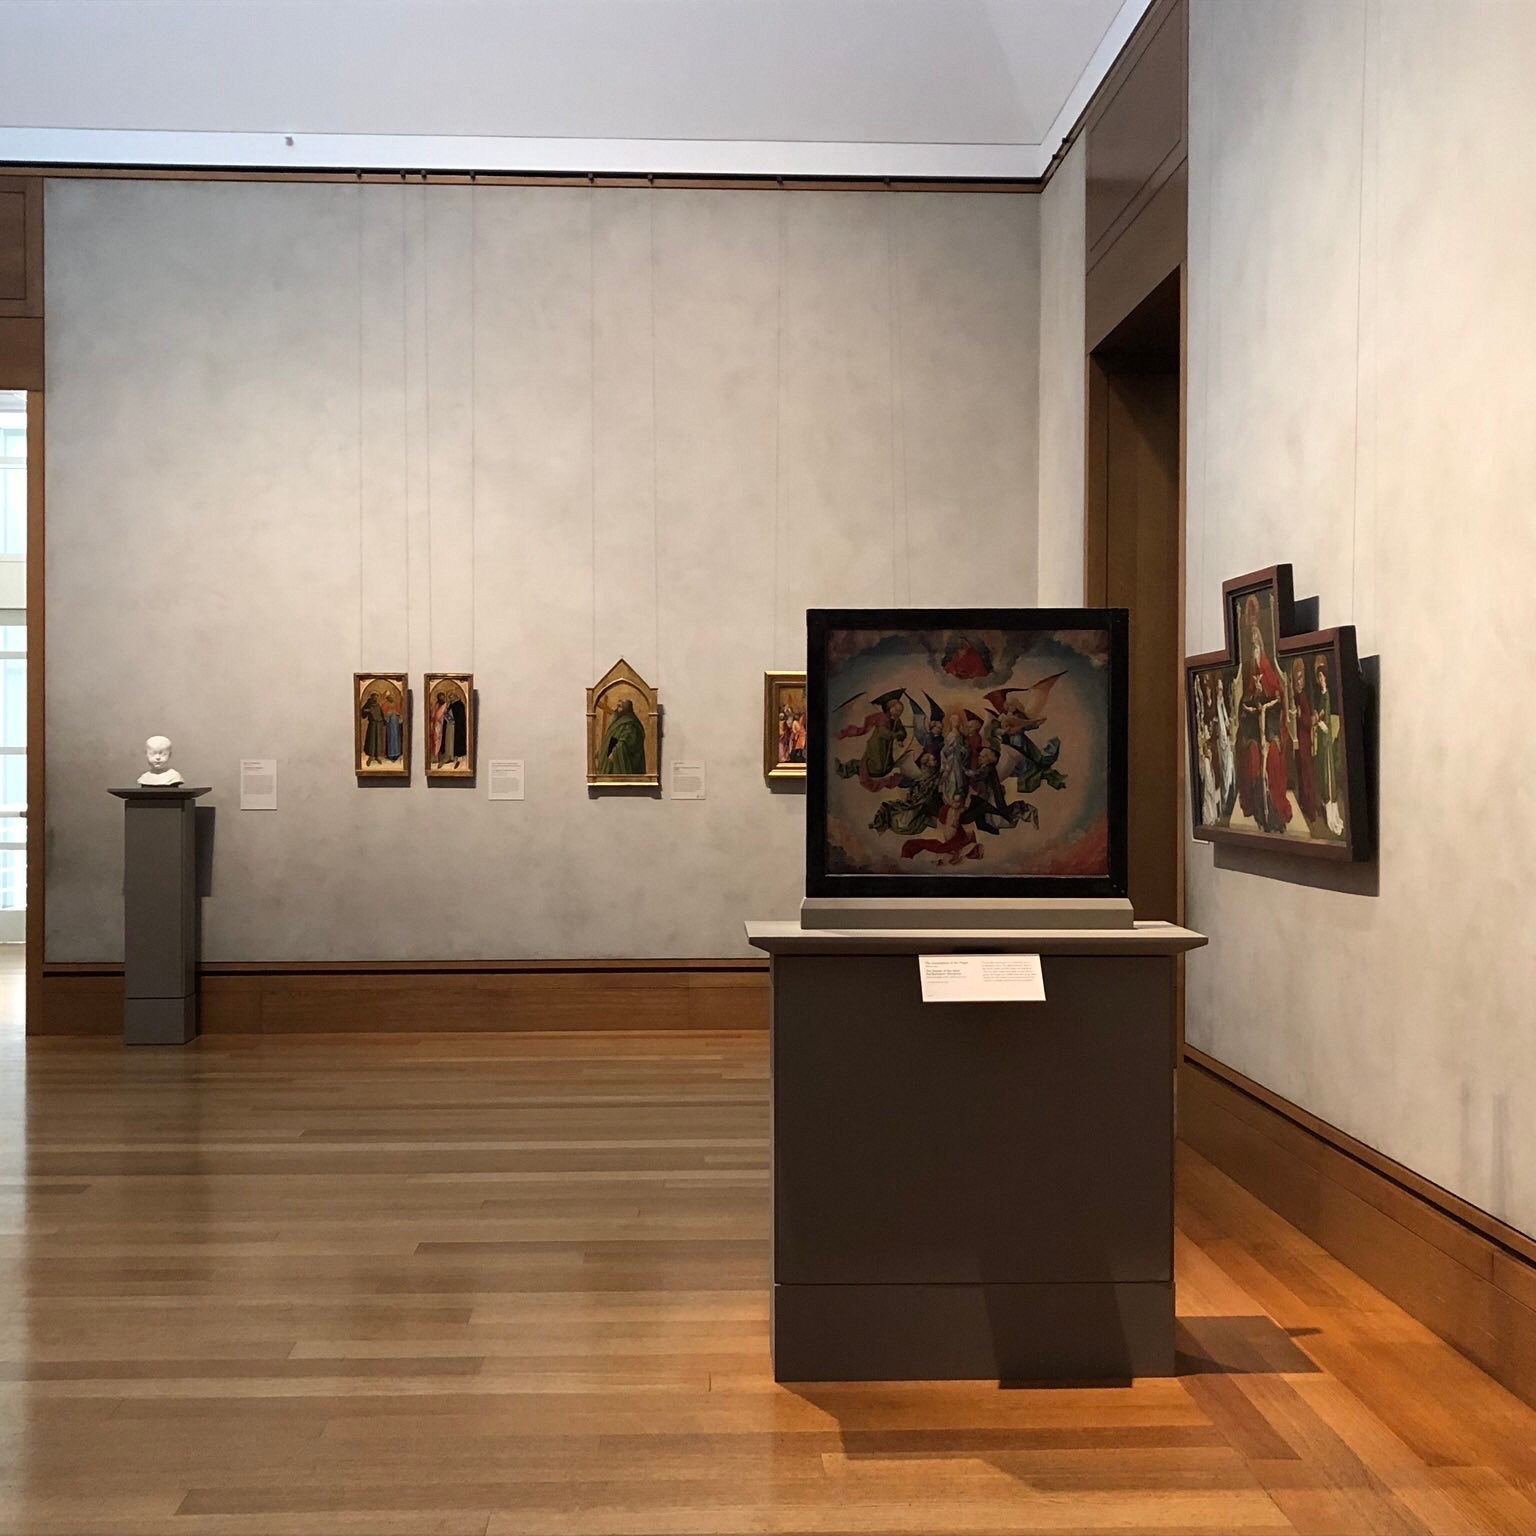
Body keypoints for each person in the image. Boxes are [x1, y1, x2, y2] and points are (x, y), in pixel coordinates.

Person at [1235, 596, 1291, 831]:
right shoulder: (1248, 670)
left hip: (1270, 726)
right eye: (1252, 646)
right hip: (1253, 728)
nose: (1255, 649)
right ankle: (1259, 809)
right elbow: (1244, 702)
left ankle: (1275, 809)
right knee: (1252, 757)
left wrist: (1267, 704)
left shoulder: (1267, 666)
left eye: (1257, 645)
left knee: (1274, 758)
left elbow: (1278, 696)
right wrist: (1251, 703)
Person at [835, 690, 909, 790]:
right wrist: (895, 736)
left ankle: (882, 768)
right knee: (873, 764)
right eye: (897, 710)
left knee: (884, 763)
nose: (898, 713)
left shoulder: (896, 721)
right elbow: (883, 732)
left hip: (886, 747)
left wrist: (900, 736)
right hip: (877, 746)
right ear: (889, 708)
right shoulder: (882, 718)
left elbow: (902, 732)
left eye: (900, 711)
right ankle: (842, 769)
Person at [1313, 657, 1345, 836]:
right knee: (1324, 777)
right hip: (1322, 741)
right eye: (1319, 677)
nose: (1321, 680)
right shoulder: (1322, 695)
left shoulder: (1326, 696)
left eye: (1322, 677)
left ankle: (1333, 818)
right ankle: (1330, 815)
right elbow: (1321, 715)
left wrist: (1318, 722)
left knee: (1328, 778)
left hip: (1326, 742)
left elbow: (1325, 724)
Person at [1289, 658, 1319, 824]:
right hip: (1302, 741)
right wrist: (1310, 719)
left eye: (1302, 678)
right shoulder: (1298, 697)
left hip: (1305, 741)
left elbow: (1304, 717)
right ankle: (1307, 808)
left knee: (1307, 774)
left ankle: (1309, 807)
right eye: (1298, 678)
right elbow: (1301, 718)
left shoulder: (1302, 696)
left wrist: (1307, 717)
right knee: (1304, 774)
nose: (1300, 681)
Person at [598, 696, 647, 776]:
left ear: (626, 709)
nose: (616, 709)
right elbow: (614, 737)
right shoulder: (619, 720)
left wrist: (614, 752)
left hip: (621, 762)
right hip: (610, 759)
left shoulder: (631, 724)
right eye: (617, 706)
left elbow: (628, 741)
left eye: (619, 706)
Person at [360, 692, 388, 765]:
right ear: (372, 697)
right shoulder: (368, 704)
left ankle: (377, 756)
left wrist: (384, 721)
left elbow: (381, 714)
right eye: (374, 697)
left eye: (376, 697)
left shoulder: (378, 705)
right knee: (372, 740)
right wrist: (368, 710)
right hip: (372, 724)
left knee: (378, 740)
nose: (375, 699)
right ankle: (371, 756)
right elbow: (363, 712)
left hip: (379, 724)